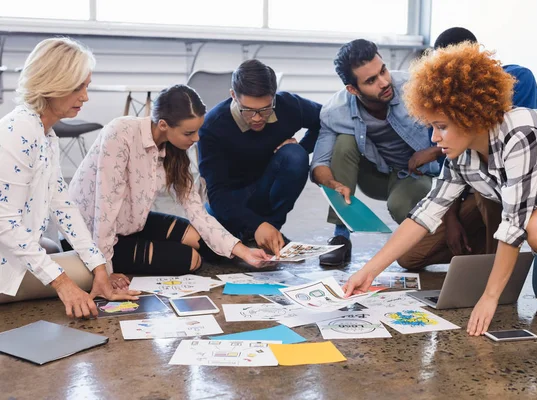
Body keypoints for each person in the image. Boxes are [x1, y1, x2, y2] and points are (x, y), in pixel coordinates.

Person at [344, 42, 537, 334]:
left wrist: (489, 298)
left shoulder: (519, 135)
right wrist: (368, 272)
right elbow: (424, 214)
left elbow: (514, 225)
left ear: (471, 115)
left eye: (441, 126)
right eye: (431, 126)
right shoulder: (461, 157)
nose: (434, 137)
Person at [68, 84, 271, 285]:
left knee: (198, 239)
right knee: (191, 260)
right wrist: (104, 271)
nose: (196, 138)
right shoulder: (120, 133)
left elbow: (197, 213)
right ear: (164, 125)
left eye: (197, 131)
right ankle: (113, 256)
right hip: (91, 232)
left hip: (131, 223)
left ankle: (144, 249)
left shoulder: (172, 147)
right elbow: (105, 208)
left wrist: (245, 252)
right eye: (189, 133)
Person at [0, 37, 139, 317]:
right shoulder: (18, 131)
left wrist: (99, 267)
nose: (85, 97)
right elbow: (4, 220)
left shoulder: (45, 134)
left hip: (11, 245)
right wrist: (63, 283)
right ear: (52, 83)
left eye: (86, 86)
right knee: (81, 274)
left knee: (88, 267)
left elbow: (62, 206)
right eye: (78, 87)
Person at [398, 26, 537, 270]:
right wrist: (452, 220)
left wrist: (433, 152)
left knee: (487, 190)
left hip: (507, 186)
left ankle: (492, 269)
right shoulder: (439, 100)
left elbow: (507, 146)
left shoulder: (518, 80)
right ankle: (480, 256)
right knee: (409, 257)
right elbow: (448, 169)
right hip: (462, 193)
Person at [311, 39, 441, 266]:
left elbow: (461, 129)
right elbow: (319, 164)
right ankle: (340, 236)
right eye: (371, 80)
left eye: (383, 71)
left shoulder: (416, 85)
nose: (383, 82)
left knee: (400, 208)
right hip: (375, 175)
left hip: (417, 174)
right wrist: (333, 184)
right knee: (344, 142)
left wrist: (434, 151)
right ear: (352, 89)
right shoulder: (335, 112)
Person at [198, 59, 321, 257]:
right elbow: (217, 194)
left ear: (274, 97)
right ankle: (255, 231)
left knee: (295, 156)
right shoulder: (213, 127)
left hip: (265, 186)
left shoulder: (288, 105)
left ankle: (271, 232)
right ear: (233, 96)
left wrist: (304, 147)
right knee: (211, 252)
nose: (257, 118)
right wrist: (256, 224)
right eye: (248, 110)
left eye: (265, 109)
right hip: (230, 199)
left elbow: (326, 120)